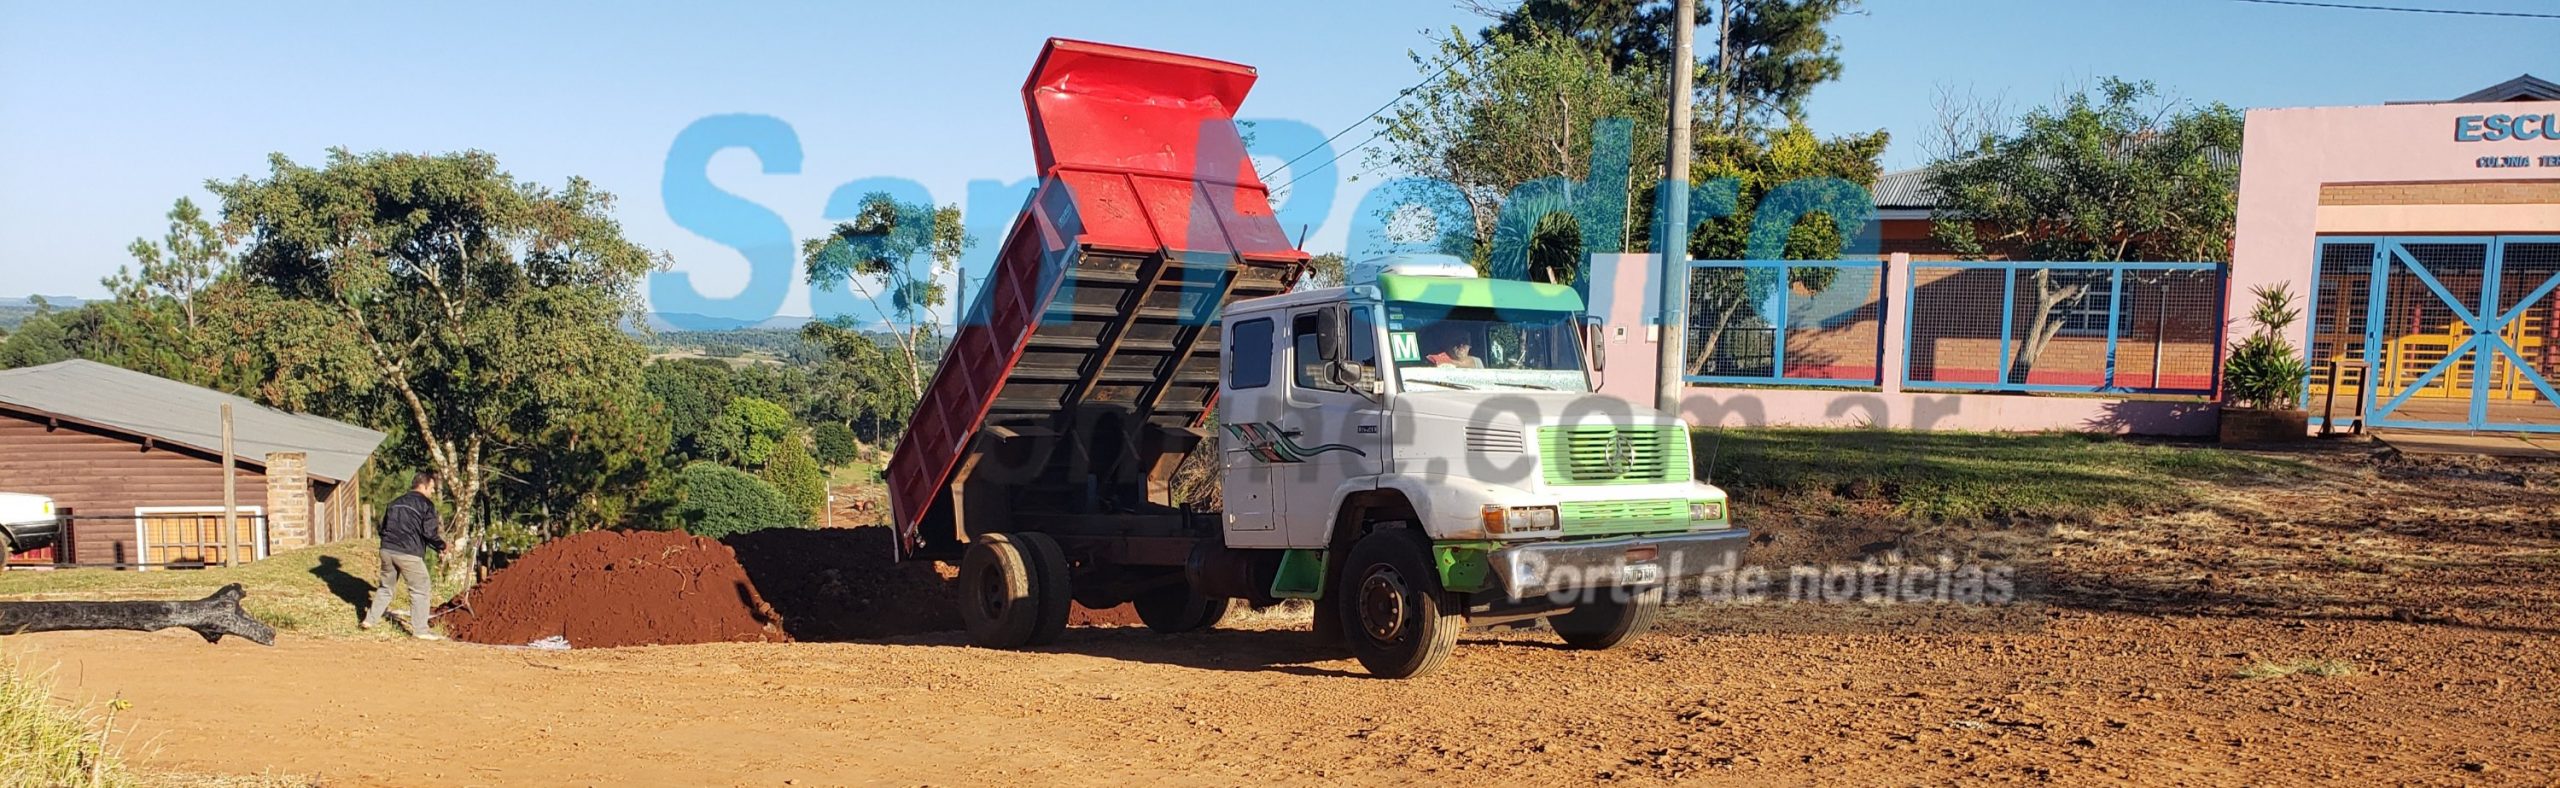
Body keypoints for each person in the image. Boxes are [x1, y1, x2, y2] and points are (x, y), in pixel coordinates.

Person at [361, 471, 447, 640]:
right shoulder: (426, 505)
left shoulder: (395, 503)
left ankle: (369, 620)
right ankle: (421, 630)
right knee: (421, 588)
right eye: (432, 488)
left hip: (387, 550)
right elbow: (429, 533)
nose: (432, 492)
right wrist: (442, 546)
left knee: (386, 587)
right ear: (423, 486)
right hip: (409, 553)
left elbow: (383, 528)